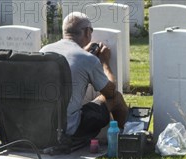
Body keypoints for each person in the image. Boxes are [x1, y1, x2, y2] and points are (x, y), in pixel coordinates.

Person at [41, 12, 129, 143]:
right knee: (115, 97)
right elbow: (109, 91)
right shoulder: (88, 59)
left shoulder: (44, 50)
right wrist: (104, 63)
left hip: (42, 125)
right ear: (88, 32)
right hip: (70, 128)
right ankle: (127, 137)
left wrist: (83, 53)